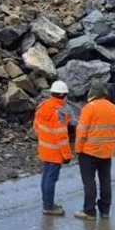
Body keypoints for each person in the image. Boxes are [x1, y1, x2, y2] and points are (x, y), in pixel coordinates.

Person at [73, 80, 115, 221]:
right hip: (106, 152)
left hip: (89, 151)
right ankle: (105, 210)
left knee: (89, 181)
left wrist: (78, 149)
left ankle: (89, 211)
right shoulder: (114, 109)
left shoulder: (89, 108)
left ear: (93, 94)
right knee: (105, 180)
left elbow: (82, 131)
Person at [34, 80, 73, 216]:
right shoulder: (59, 112)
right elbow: (61, 136)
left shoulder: (42, 106)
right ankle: (48, 206)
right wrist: (67, 155)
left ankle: (47, 202)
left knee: (46, 176)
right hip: (55, 151)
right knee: (51, 178)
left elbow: (36, 127)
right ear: (62, 95)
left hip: (44, 148)